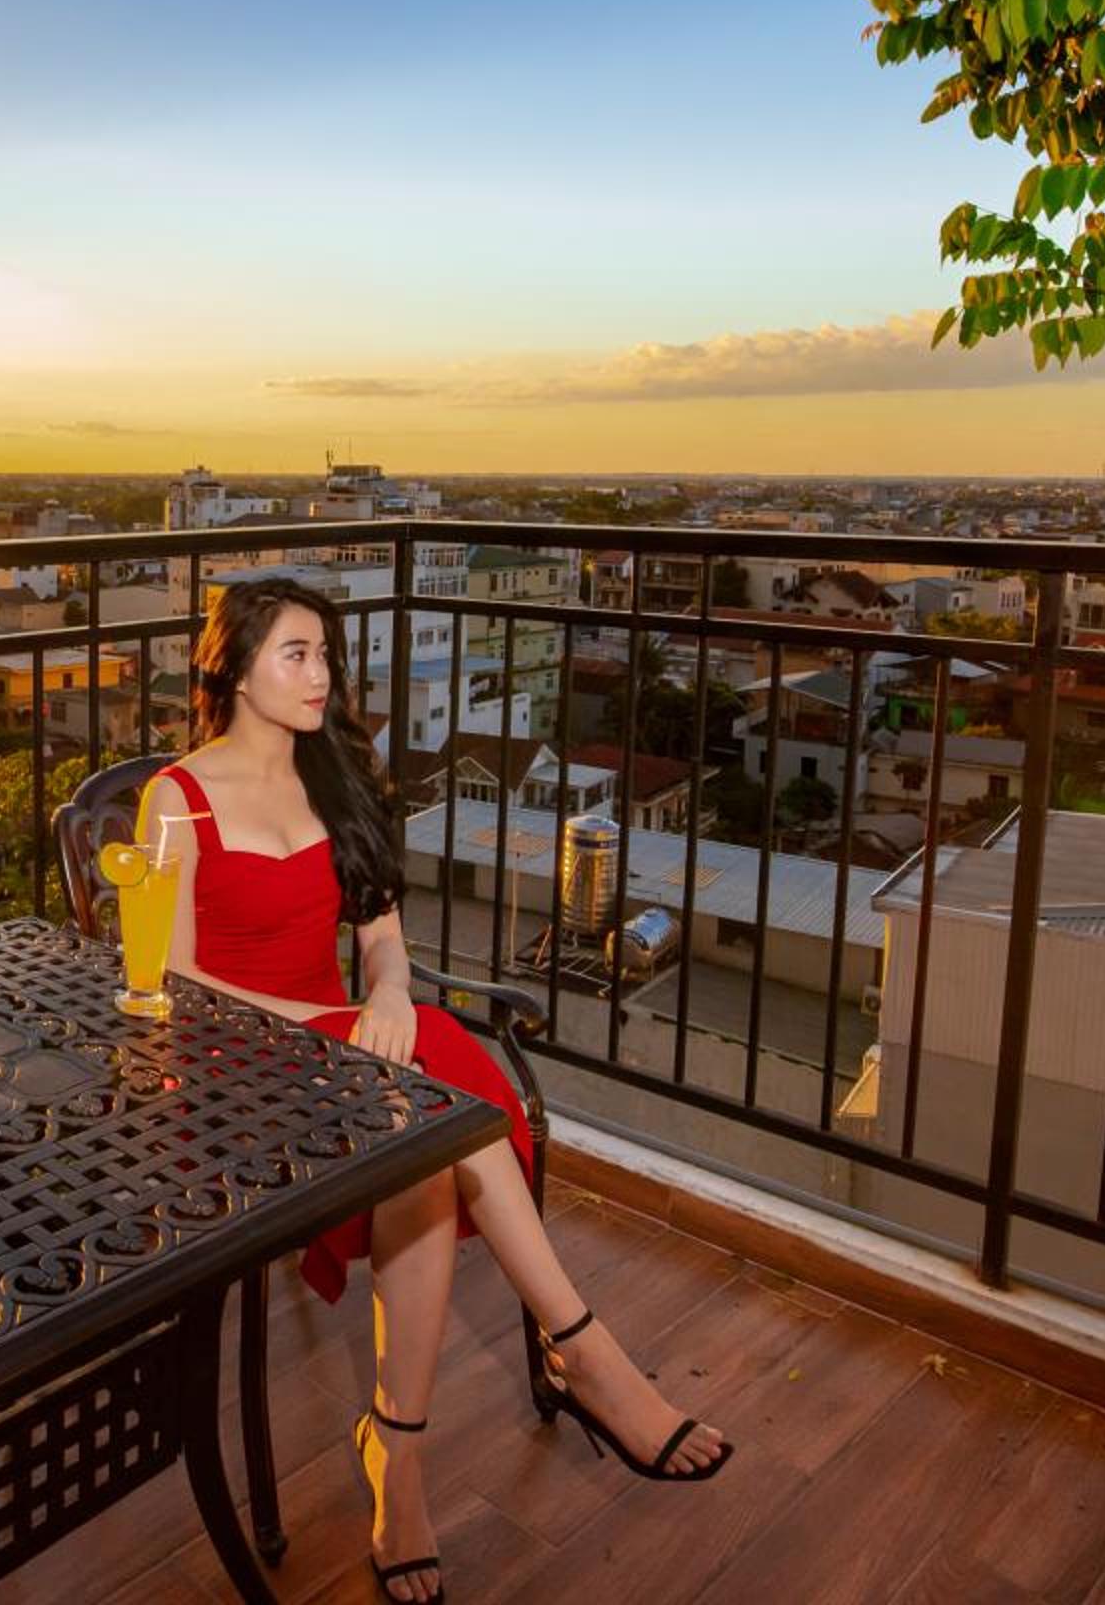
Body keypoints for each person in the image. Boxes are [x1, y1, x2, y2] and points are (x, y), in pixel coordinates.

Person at [143, 576, 731, 1604]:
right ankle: (582, 1350)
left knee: (419, 1135)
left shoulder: (336, 778)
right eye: (295, 654)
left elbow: (381, 936)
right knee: (437, 1082)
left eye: (327, 654)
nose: (323, 675)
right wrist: (339, 1027)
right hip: (231, 1074)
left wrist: (389, 994)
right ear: (233, 669)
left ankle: (398, 1455)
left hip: (350, 1060)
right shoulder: (175, 798)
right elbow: (170, 979)